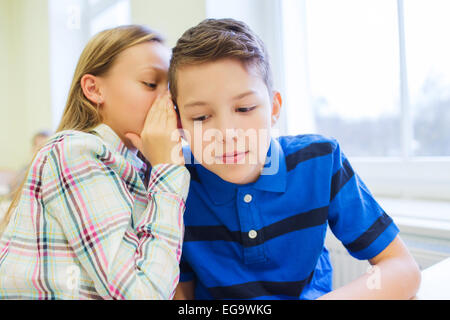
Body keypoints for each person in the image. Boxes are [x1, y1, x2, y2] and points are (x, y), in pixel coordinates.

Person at [169, 18, 421, 300]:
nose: (227, 134)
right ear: (178, 122)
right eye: (201, 117)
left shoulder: (320, 162)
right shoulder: (176, 183)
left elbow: (401, 267)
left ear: (274, 108)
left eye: (244, 108)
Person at [0, 25, 189, 299]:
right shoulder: (74, 151)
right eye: (150, 83)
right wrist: (168, 169)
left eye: (170, 88)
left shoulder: (137, 166)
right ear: (93, 88)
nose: (168, 99)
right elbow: (143, 294)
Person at [8, 131, 51, 197]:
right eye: (39, 147)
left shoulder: (51, 170)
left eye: (45, 146)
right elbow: (12, 189)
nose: (42, 150)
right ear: (33, 149)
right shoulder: (26, 168)